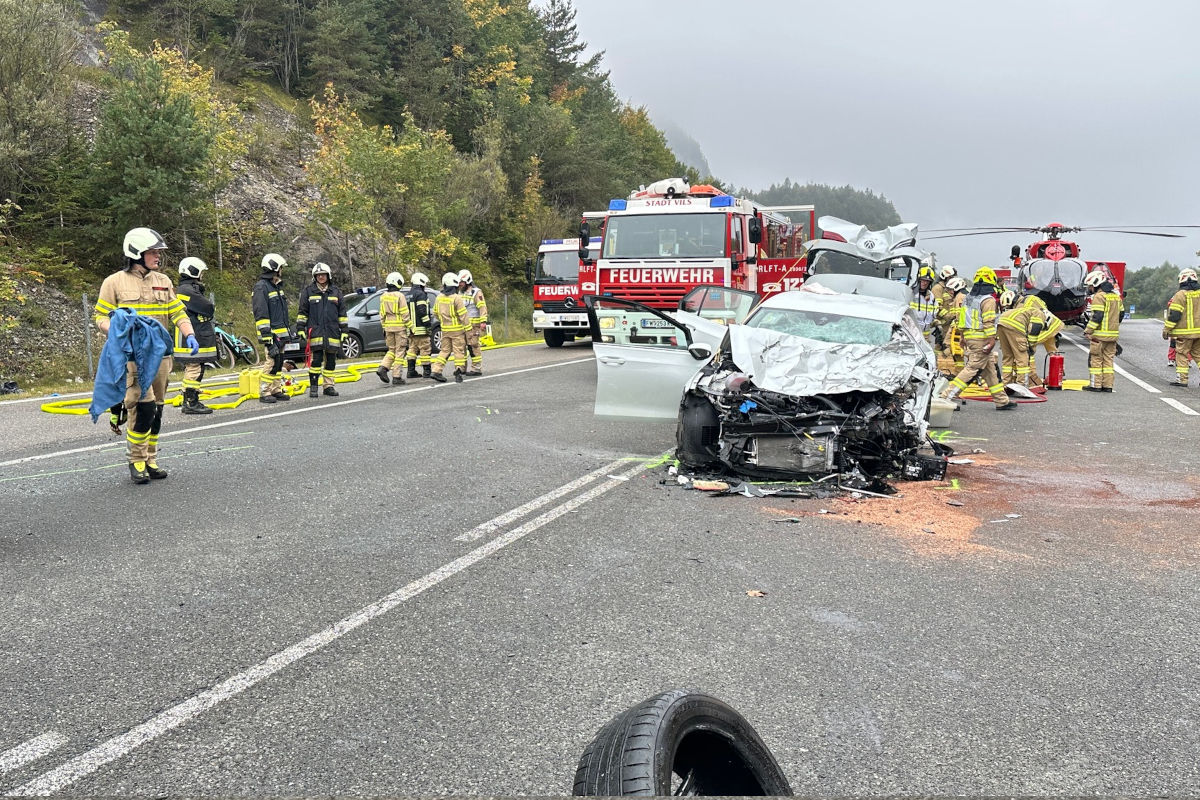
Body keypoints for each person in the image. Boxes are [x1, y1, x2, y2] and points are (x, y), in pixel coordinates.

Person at [93, 227, 198, 484]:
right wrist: (117, 329)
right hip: (133, 358)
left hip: (161, 356)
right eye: (153, 252)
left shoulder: (163, 281)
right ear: (136, 253)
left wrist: (189, 334)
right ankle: (136, 460)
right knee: (144, 407)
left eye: (158, 252)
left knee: (158, 410)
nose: (157, 256)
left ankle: (151, 459)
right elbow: (100, 317)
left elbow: (177, 312)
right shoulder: (114, 282)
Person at [940, 267, 1016, 410]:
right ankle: (946, 397)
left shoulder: (969, 298)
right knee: (972, 368)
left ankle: (1001, 400)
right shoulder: (988, 300)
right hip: (981, 339)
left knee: (989, 369)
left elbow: (961, 319)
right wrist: (992, 339)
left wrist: (962, 336)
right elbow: (988, 322)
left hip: (970, 337)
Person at [295, 262, 347, 397]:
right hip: (316, 332)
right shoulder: (308, 291)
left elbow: (342, 313)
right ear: (314, 277)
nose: (321, 277)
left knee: (331, 360)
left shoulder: (336, 292)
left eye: (323, 274)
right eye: (318, 275)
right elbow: (303, 312)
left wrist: (345, 330)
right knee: (316, 360)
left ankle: (328, 386)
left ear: (328, 275)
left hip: (332, 331)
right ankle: (313, 387)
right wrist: (300, 327)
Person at [175, 257, 217, 414]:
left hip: (195, 335)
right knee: (194, 368)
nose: (202, 276)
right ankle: (191, 402)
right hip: (192, 337)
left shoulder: (188, 289)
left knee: (196, 368)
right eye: (201, 273)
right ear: (193, 271)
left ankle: (191, 400)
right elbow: (207, 307)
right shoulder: (186, 291)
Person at [251, 253, 294, 404]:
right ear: (274, 268)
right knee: (271, 362)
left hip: (281, 334)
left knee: (278, 362)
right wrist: (268, 339)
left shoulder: (276, 286)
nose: (282, 270)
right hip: (272, 335)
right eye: (280, 267)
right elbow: (261, 315)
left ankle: (275, 389)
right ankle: (264, 391)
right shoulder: (261, 288)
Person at [1082, 269, 1123, 392]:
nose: (1089, 288)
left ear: (1095, 283)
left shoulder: (1099, 297)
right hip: (1113, 336)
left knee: (1096, 360)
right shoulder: (1116, 297)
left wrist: (1088, 330)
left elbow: (1097, 316)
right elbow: (1121, 314)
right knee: (1108, 362)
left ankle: (1095, 385)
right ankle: (1108, 386)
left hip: (1099, 336)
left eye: (1090, 286)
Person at [996, 290, 1044, 386]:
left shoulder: (1022, 309)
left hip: (1000, 323)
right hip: (1015, 325)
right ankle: (1022, 384)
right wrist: (1030, 346)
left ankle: (1006, 383)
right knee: (1022, 358)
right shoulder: (1040, 313)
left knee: (1007, 357)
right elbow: (1034, 329)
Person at [1163, 267, 1200, 387]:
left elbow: (1174, 315)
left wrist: (1167, 329)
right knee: (1198, 355)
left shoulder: (1180, 295)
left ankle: (1182, 380)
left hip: (1184, 334)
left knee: (1182, 354)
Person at [430, 271, 469, 383]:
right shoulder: (457, 298)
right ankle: (458, 370)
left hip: (445, 330)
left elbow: (436, 313)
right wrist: (468, 328)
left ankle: (436, 370)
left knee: (444, 351)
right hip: (457, 330)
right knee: (458, 351)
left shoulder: (439, 297)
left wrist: (444, 321)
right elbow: (463, 315)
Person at [376, 271, 411, 385]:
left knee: (391, 350)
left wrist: (384, 327)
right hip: (400, 328)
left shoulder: (383, 296)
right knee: (400, 351)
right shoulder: (400, 296)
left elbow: (381, 314)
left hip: (388, 328)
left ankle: (383, 367)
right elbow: (405, 313)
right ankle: (397, 376)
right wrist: (410, 327)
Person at [459, 268, 488, 375]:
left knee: (473, 346)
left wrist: (483, 321)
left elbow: (482, 307)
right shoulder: (460, 293)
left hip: (474, 326)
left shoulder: (476, 293)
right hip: (463, 326)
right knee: (461, 347)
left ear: (467, 281)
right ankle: (461, 368)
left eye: (461, 282)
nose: (460, 284)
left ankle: (476, 368)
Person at [405, 272, 434, 379]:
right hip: (421, 328)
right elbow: (422, 310)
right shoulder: (420, 294)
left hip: (411, 329)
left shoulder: (407, 295)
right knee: (425, 349)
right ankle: (427, 372)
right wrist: (428, 324)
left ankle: (410, 371)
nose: (425, 286)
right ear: (421, 282)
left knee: (412, 349)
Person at [910, 266, 938, 340]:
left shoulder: (931, 296)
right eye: (923, 280)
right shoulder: (911, 293)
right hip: (912, 332)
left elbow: (935, 311)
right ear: (918, 280)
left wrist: (935, 321)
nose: (925, 283)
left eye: (927, 281)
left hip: (925, 335)